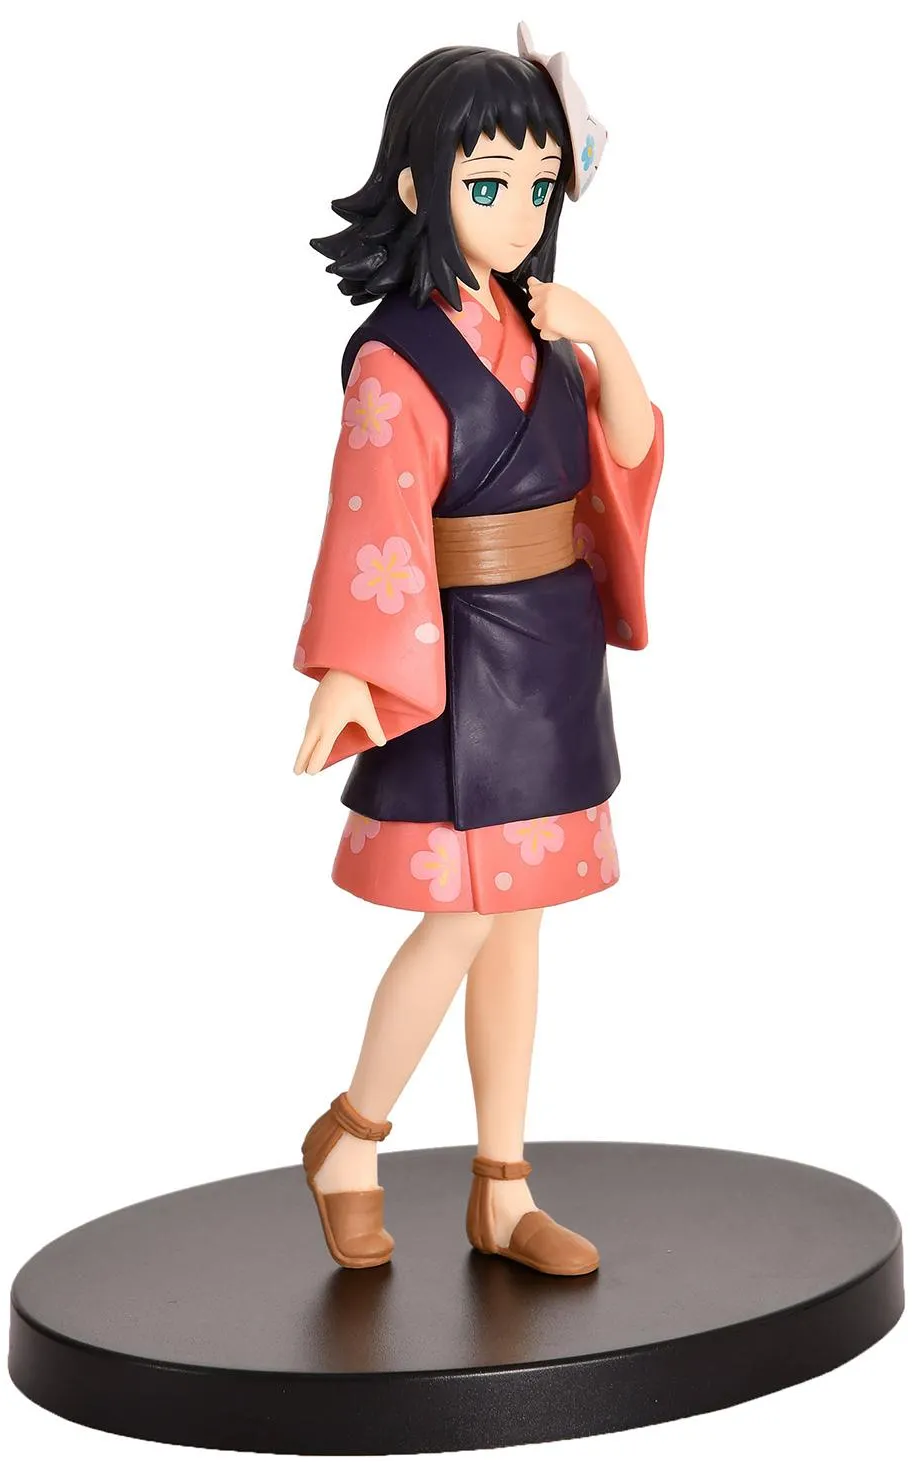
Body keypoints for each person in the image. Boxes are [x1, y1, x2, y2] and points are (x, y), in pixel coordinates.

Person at [292, 24, 664, 1274]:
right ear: (418, 185)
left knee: (518, 924)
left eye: (538, 185)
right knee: (459, 918)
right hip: (453, 663)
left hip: (550, 654)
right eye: (487, 184)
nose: (518, 212)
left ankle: (501, 1185)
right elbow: (372, 518)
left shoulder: (540, 326)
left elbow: (626, 446)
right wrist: (352, 664)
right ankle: (352, 1136)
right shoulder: (397, 359)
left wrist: (598, 330)